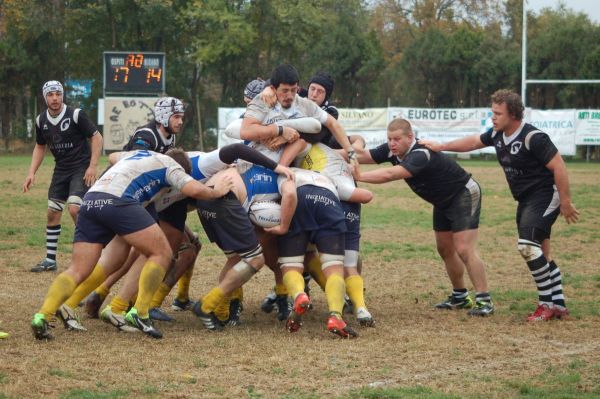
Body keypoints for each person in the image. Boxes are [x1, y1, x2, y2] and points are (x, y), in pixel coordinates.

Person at [30, 148, 234, 340]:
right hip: (119, 201)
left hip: (92, 199)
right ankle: (140, 313)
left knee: (82, 267)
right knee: (162, 252)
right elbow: (195, 190)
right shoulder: (172, 167)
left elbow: (112, 156)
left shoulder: (138, 154)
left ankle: (42, 315)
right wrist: (217, 191)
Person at [421, 89, 579, 321]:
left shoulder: (533, 137)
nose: (493, 118)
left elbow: (559, 166)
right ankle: (559, 304)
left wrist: (565, 201)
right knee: (542, 253)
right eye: (492, 112)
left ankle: (546, 305)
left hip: (545, 195)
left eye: (498, 113)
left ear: (513, 114)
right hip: (526, 199)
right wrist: (442, 146)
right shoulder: (497, 135)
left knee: (527, 246)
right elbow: (474, 141)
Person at [354, 118, 494, 316]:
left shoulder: (421, 153)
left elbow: (390, 174)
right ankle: (460, 296)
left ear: (410, 137)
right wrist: (327, 153)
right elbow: (363, 156)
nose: (392, 143)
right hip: (443, 200)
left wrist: (360, 176)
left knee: (463, 248)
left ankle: (484, 300)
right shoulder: (391, 150)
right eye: (389, 139)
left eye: (397, 139)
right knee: (445, 248)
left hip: (462, 194)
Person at [83, 96, 185, 317]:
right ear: (163, 117)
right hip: (121, 195)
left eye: (181, 117)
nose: (180, 121)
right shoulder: (146, 136)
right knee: (123, 253)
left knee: (133, 251)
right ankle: (96, 296)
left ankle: (99, 295)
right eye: (176, 116)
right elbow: (129, 164)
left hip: (138, 197)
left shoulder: (170, 137)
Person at [23, 81, 103, 272]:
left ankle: (92, 254)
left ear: (62, 95)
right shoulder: (40, 121)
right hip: (61, 170)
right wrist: (31, 172)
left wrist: (92, 166)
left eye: (58, 94)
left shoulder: (76, 114)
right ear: (45, 97)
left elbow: (97, 137)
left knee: (75, 209)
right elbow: (40, 146)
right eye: (51, 95)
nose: (55, 98)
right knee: (52, 212)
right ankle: (50, 260)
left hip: (81, 168)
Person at [268, 167, 358, 338]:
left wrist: (282, 226)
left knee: (290, 266)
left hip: (298, 199)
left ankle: (300, 296)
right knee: (334, 269)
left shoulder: (282, 172)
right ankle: (335, 316)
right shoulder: (325, 174)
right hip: (329, 201)